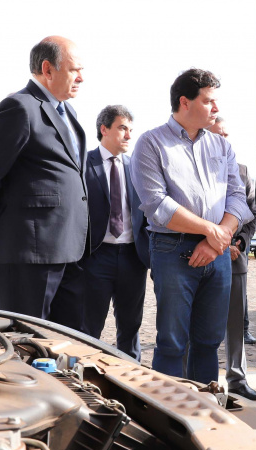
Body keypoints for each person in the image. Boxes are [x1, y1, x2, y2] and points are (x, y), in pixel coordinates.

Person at [130, 69, 252, 384]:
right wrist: (212, 232)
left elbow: (238, 198)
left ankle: (203, 412)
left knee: (209, 342)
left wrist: (216, 238)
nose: (216, 109)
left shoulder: (221, 147)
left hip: (218, 253)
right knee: (172, 342)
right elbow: (157, 204)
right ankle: (167, 418)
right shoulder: (151, 143)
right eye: (209, 101)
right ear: (185, 102)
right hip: (172, 250)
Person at [0, 36, 88, 328]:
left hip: (69, 247)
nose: (81, 78)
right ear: (48, 70)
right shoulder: (19, 107)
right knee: (29, 339)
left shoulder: (67, 111)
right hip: (31, 251)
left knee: (62, 342)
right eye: (74, 70)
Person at [77, 105, 150, 361]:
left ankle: (131, 382)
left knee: (130, 327)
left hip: (133, 257)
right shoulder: (83, 164)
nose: (129, 135)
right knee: (89, 328)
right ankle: (85, 379)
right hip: (96, 256)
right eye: (122, 128)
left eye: (131, 130)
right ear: (104, 129)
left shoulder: (138, 168)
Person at [209, 116, 256, 400]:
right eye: (219, 135)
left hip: (236, 258)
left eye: (227, 134)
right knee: (198, 324)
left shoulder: (241, 171)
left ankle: (237, 379)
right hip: (202, 258)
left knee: (235, 325)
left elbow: (252, 214)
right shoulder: (194, 169)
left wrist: (239, 241)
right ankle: (190, 380)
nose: (224, 140)